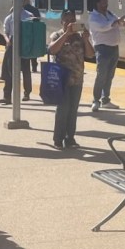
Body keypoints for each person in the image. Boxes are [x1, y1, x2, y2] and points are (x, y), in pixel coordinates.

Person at [48, 9, 95, 149]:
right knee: (63, 109)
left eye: (72, 20)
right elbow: (52, 50)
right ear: (62, 21)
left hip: (77, 79)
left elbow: (90, 55)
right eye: (67, 20)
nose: (70, 23)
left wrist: (86, 40)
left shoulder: (79, 38)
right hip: (62, 80)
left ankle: (70, 138)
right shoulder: (57, 35)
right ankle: (58, 139)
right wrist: (66, 34)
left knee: (73, 109)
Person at [87, 0, 125, 112]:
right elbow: (104, 27)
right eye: (103, 2)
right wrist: (117, 21)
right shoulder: (93, 17)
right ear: (97, 3)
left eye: (106, 1)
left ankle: (105, 99)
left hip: (114, 48)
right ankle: (96, 100)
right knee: (101, 75)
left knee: (109, 76)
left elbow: (119, 25)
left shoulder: (110, 14)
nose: (106, 4)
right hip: (102, 49)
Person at [0, 5, 34, 103]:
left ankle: (27, 92)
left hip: (24, 43)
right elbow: (6, 31)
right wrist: (7, 41)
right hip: (12, 42)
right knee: (8, 70)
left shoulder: (28, 15)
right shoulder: (9, 17)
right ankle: (7, 96)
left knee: (26, 69)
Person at [22, 0, 41, 73]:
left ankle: (25, 67)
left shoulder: (23, 10)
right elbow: (39, 20)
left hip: (25, 34)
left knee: (26, 51)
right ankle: (34, 67)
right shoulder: (35, 10)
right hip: (34, 33)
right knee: (34, 51)